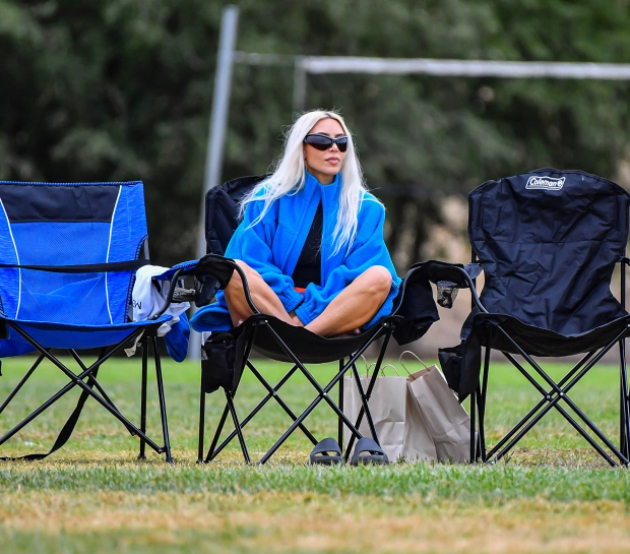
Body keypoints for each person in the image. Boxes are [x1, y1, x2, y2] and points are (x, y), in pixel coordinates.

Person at [190, 110, 401, 337]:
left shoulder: (367, 208)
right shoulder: (268, 199)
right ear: (301, 148)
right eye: (322, 141)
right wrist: (292, 304)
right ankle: (296, 335)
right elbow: (252, 261)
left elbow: (361, 272)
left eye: (341, 142)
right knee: (235, 269)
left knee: (380, 276)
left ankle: (300, 336)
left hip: (332, 311)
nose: (333, 148)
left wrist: (309, 312)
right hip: (273, 308)